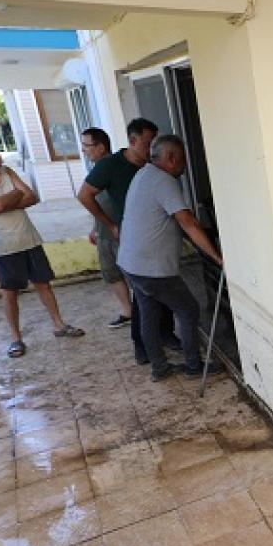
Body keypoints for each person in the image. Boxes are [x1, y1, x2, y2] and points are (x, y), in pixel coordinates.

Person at [0, 137, 84, 357]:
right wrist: (10, 199)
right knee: (10, 293)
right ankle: (16, 338)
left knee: (43, 284)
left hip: (28, 238)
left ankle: (59, 325)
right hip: (2, 245)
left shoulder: (6, 171)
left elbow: (31, 197)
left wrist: (2, 204)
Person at [118, 135, 224, 381]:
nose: (185, 166)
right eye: (183, 160)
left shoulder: (144, 174)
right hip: (151, 268)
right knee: (188, 310)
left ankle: (159, 368)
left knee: (149, 314)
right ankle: (194, 366)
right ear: (171, 158)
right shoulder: (165, 181)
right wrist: (217, 257)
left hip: (132, 263)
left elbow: (168, 221)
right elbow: (187, 222)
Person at [77, 118, 176, 364]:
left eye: (154, 143)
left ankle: (166, 335)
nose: (151, 149)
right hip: (132, 241)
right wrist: (109, 225)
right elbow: (85, 195)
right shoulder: (111, 165)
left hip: (158, 237)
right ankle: (141, 347)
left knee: (164, 287)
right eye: (147, 143)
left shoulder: (154, 166)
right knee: (143, 297)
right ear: (132, 141)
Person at [78, 127, 132, 328]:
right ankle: (128, 311)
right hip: (104, 234)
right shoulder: (95, 171)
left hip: (120, 233)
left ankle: (146, 313)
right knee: (111, 274)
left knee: (133, 275)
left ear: (101, 147)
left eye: (87, 145)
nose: (83, 150)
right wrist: (95, 227)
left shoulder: (115, 169)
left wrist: (112, 225)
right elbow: (97, 204)